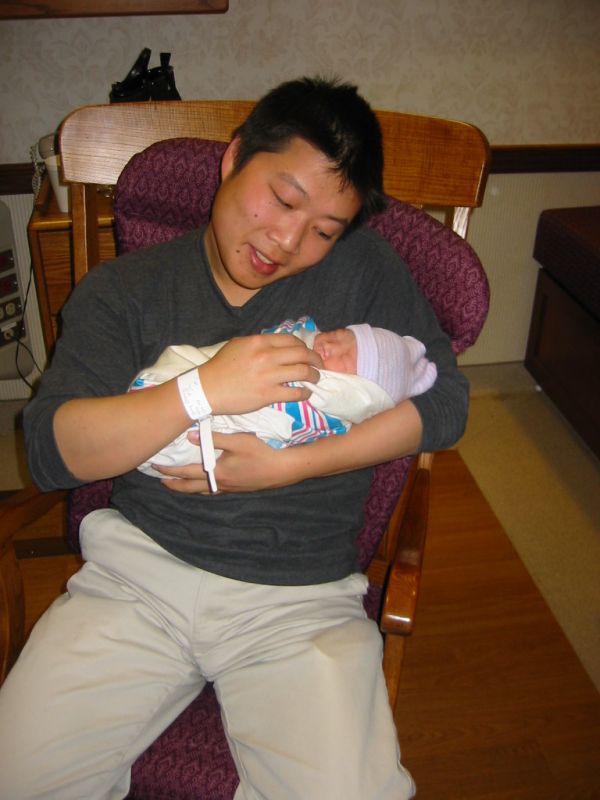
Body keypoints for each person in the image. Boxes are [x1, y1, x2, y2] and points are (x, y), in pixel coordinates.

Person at [0, 76, 468, 800]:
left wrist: (292, 467)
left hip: (300, 599)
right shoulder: (126, 291)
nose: (287, 241)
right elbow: (51, 454)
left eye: (323, 230)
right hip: (139, 579)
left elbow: (447, 403)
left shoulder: (365, 273)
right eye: (282, 199)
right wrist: (203, 391)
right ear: (234, 158)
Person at [130, 315, 438, 484]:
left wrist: (286, 466)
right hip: (170, 395)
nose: (331, 346)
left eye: (347, 358)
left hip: (205, 437)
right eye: (340, 335)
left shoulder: (324, 405)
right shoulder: (302, 341)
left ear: (357, 391)